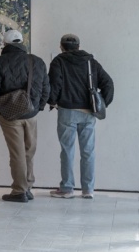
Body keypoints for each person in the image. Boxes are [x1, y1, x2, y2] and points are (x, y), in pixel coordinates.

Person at [0, 29, 49, 203]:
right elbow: (46, 88)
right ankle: (27, 187)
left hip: (9, 115)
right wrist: (38, 107)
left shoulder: (0, 62)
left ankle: (19, 191)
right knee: (29, 150)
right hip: (31, 113)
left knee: (17, 153)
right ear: (21, 42)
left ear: (5, 44)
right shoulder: (36, 61)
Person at [47, 33, 114, 199]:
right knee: (88, 151)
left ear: (61, 47)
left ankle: (67, 188)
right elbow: (108, 83)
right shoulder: (91, 62)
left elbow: (54, 84)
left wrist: (52, 101)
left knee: (67, 151)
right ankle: (88, 190)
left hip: (67, 111)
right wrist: (102, 103)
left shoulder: (58, 61)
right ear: (79, 46)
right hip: (88, 112)